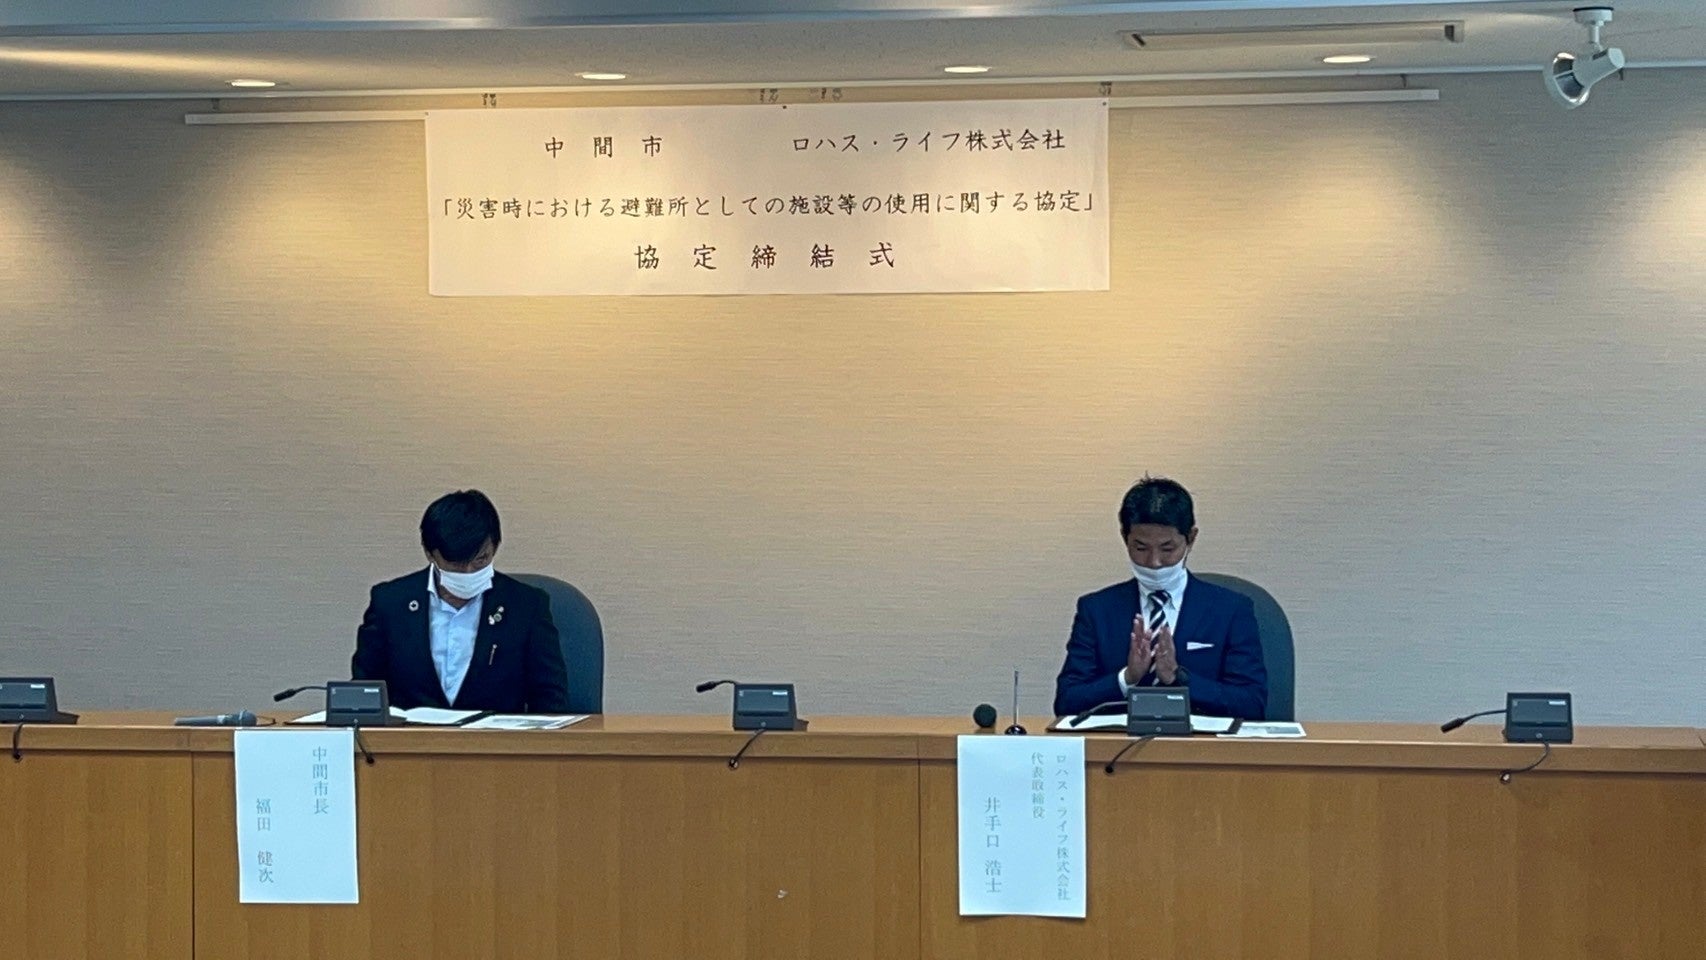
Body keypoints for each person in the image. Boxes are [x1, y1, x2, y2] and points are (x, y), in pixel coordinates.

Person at [1053, 476, 1268, 720]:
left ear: (1191, 538)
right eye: (1141, 548)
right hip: (1119, 742)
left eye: (1167, 549)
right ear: (1125, 538)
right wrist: (1127, 678)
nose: (1154, 562)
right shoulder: (1096, 610)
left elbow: (1252, 704)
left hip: (1200, 742)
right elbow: (1067, 702)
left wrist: (1179, 678)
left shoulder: (1231, 610)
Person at [352, 490, 570, 713]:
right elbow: (364, 694)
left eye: (480, 560)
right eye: (455, 563)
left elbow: (550, 698)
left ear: (495, 547)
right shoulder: (390, 604)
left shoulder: (527, 606)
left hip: (496, 734)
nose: (468, 572)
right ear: (430, 553)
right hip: (412, 734)